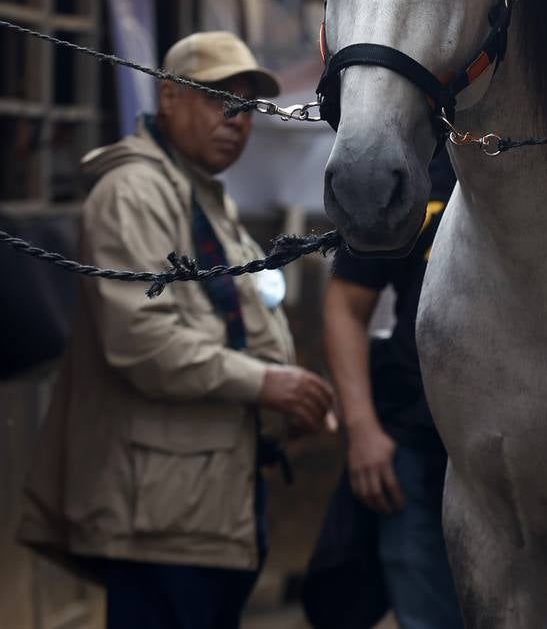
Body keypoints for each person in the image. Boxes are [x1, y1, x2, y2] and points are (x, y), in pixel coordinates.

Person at [18, 31, 336, 629]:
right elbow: (144, 341)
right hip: (159, 510)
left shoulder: (203, 197)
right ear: (168, 97)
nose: (236, 120)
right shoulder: (135, 192)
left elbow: (229, 327)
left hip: (205, 500)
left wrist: (282, 406)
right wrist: (267, 385)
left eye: (246, 106)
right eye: (220, 99)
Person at [304, 148, 547, 629]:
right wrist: (362, 429)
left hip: (543, 467)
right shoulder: (412, 176)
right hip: (415, 450)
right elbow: (345, 305)